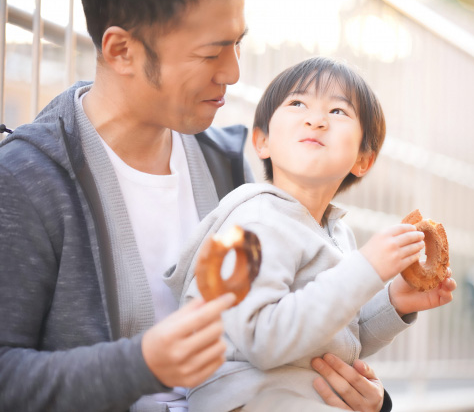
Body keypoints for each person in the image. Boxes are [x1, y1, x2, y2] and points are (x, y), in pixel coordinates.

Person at [0, 0, 396, 411]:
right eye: (211, 53)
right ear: (122, 51)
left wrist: (371, 401)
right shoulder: (25, 179)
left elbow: (286, 333)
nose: (233, 72)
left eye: (239, 43)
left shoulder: (226, 167)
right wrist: (140, 365)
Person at [166, 56, 457, 411]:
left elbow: (331, 339)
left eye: (338, 112)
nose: (316, 119)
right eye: (297, 103)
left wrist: (394, 302)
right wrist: (366, 269)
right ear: (262, 142)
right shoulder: (249, 222)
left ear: (363, 160)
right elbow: (263, 339)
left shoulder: (336, 234)